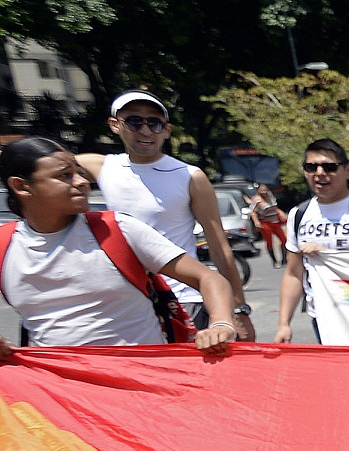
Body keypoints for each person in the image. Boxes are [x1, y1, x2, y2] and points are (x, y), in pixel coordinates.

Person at [0, 137, 237, 353]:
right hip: (59, 392)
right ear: (21, 187)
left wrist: (221, 324)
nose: (82, 182)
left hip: (143, 384)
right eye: (65, 175)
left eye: (79, 172)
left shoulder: (117, 228)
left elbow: (208, 278)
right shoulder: (5, 244)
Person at [76, 90, 254, 340]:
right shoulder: (102, 166)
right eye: (135, 121)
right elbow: (40, 163)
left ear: (167, 130)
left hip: (183, 300)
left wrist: (239, 310)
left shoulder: (189, 176)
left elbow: (219, 248)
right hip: (128, 304)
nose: (146, 131)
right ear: (115, 125)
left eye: (155, 123)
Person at [274, 139, 349, 343]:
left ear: (347, 171)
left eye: (330, 167)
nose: (320, 173)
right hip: (322, 317)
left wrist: (329, 255)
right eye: (311, 167)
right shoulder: (298, 215)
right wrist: (284, 324)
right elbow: (294, 274)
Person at [245, 182, 288, 267]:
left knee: (284, 240)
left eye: (265, 190)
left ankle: (284, 259)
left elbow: (275, 208)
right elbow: (253, 212)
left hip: (275, 222)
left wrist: (281, 213)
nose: (264, 192)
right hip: (265, 223)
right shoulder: (257, 200)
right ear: (258, 191)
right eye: (262, 190)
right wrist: (256, 221)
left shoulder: (271, 197)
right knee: (269, 242)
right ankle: (274, 261)